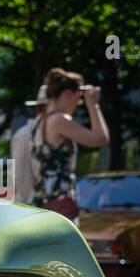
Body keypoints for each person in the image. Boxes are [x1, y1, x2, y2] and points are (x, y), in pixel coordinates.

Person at [30, 68, 108, 221]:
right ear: (67, 94)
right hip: (59, 209)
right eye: (79, 99)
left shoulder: (40, 121)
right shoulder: (59, 120)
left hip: (44, 203)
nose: (79, 104)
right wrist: (93, 104)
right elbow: (100, 139)